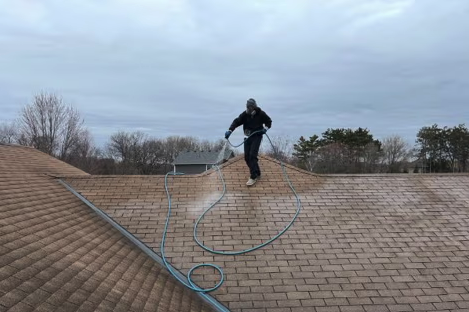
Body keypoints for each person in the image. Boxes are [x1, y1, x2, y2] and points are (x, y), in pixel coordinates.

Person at [225, 98, 272, 186]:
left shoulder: (261, 114)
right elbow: (236, 121)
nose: (249, 110)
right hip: (247, 137)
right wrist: (230, 130)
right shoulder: (244, 115)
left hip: (257, 136)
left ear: (254, 108)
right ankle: (257, 172)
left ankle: (253, 176)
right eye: (248, 108)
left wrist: (265, 129)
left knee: (252, 155)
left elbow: (269, 122)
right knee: (247, 157)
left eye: (251, 108)